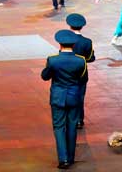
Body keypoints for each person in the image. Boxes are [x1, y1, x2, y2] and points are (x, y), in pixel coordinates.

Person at [41, 30, 87, 169]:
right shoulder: (81, 60)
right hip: (74, 97)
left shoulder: (53, 60)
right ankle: (71, 157)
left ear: (59, 44)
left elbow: (45, 76)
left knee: (59, 127)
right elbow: (84, 79)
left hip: (58, 97)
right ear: (73, 44)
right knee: (72, 127)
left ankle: (63, 159)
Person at [66, 13, 95, 129]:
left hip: (67, 73)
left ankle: (69, 118)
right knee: (80, 97)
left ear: (70, 26)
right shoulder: (87, 41)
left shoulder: (66, 39)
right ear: (82, 27)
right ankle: (79, 119)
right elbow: (90, 58)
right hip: (81, 73)